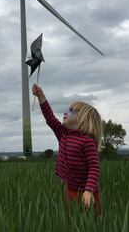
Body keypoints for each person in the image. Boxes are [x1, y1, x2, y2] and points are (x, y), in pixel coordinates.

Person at [32, 83, 103, 215]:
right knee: (71, 221)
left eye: (71, 111)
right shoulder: (63, 134)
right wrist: (41, 96)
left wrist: (88, 191)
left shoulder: (87, 141)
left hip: (88, 193)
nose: (66, 112)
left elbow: (94, 168)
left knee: (91, 222)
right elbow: (50, 118)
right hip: (70, 190)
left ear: (83, 119)